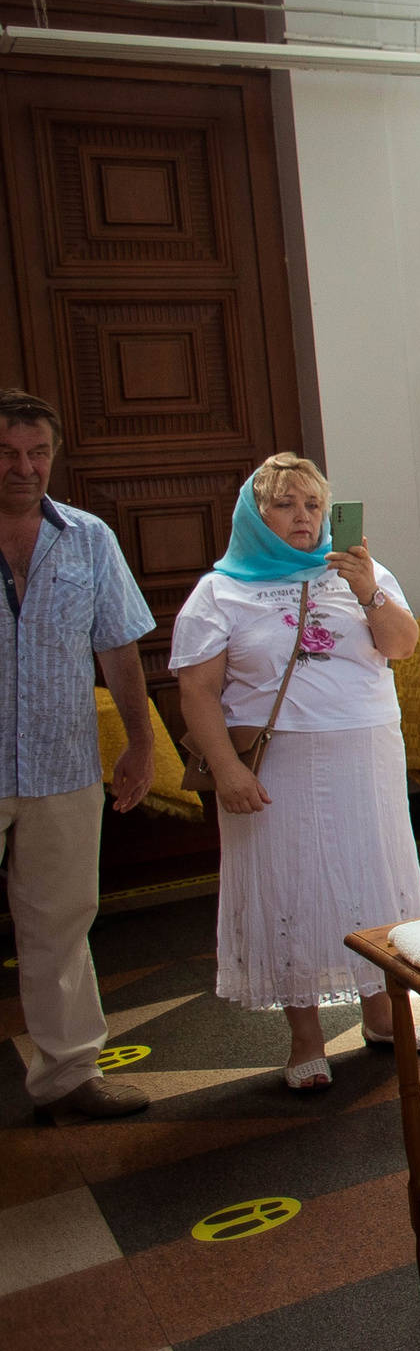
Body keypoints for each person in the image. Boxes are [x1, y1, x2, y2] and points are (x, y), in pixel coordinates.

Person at [171, 454, 420, 1090]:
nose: (304, 517)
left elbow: (401, 645)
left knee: (373, 876)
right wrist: (228, 769)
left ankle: (384, 1015)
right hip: (275, 761)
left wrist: (368, 585)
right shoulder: (220, 591)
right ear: (255, 515)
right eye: (286, 504)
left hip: (363, 751)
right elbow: (199, 693)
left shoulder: (359, 572)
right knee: (286, 884)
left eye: (315, 505)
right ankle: (304, 1038)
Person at [0, 388, 157, 1121]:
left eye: (36, 453)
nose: (23, 467)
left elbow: (118, 645)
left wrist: (140, 739)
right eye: (5, 453)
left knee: (60, 922)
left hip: (61, 767)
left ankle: (68, 1074)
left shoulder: (88, 538)